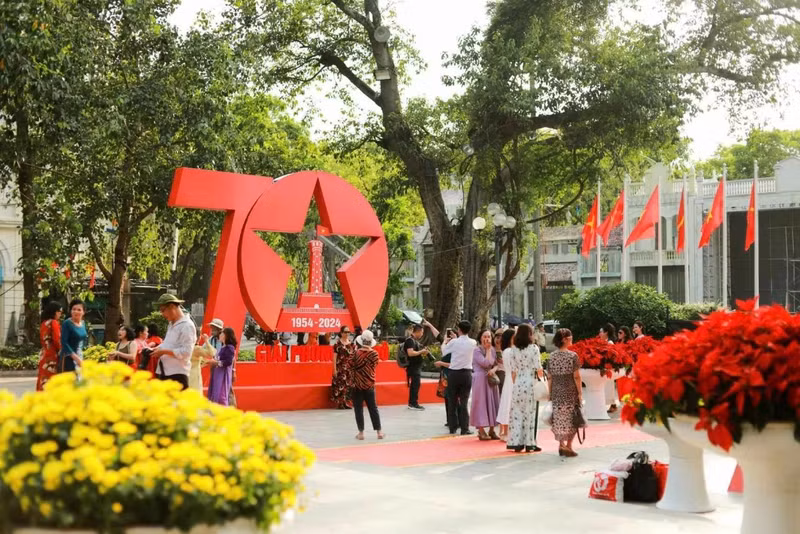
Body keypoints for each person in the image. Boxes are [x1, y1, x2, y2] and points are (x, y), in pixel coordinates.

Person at [506, 323, 544, 453]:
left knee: (517, 413)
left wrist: (516, 382)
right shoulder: (534, 348)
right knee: (530, 413)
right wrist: (542, 379)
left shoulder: (513, 349)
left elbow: (513, 370)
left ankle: (516, 442)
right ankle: (530, 442)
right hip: (530, 382)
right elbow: (538, 367)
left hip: (518, 383)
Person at [548, 328, 582, 457]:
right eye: (570, 337)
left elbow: (550, 377)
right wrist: (579, 392)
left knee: (559, 419)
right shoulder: (573, 356)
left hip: (556, 392)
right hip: (569, 391)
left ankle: (561, 444)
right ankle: (568, 446)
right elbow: (577, 376)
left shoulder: (552, 356)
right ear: (564, 339)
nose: (572, 339)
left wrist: (550, 393)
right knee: (572, 419)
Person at [150, 294, 197, 389]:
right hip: (164, 372)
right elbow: (169, 344)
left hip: (177, 375)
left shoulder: (187, 326)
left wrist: (163, 352)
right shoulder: (171, 324)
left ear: (172, 306)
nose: (162, 314)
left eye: (163, 310)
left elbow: (186, 353)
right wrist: (158, 348)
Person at [441, 320, 475, 435]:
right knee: (464, 402)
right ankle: (465, 428)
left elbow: (444, 352)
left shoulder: (454, 342)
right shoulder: (473, 342)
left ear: (459, 329)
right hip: (467, 374)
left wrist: (445, 342)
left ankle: (453, 427)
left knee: (452, 401)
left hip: (454, 374)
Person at [351, 329, 385, 440]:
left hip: (357, 385)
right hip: (370, 384)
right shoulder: (375, 354)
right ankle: (379, 432)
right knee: (373, 408)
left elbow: (351, 366)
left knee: (358, 409)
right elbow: (374, 366)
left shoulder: (355, 353)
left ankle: (361, 433)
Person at [470, 329, 501, 441]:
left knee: (493, 403)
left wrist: (494, 369)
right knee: (481, 404)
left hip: (490, 379)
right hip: (480, 379)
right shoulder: (477, 350)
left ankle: (492, 430)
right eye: (484, 336)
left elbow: (496, 364)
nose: (487, 339)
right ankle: (481, 430)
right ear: (480, 338)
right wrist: (488, 350)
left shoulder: (492, 349)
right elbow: (485, 363)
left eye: (489, 336)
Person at [404, 319, 439, 411]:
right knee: (415, 385)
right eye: (422, 332)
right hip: (413, 367)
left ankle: (413, 402)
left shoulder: (414, 341)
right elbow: (410, 353)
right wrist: (422, 351)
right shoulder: (410, 341)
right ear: (418, 331)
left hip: (416, 367)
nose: (422, 334)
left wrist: (422, 352)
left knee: (416, 385)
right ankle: (413, 403)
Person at [36, 301, 63, 390]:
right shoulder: (54, 322)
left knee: (43, 379)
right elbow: (57, 340)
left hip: (44, 354)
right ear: (55, 312)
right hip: (52, 355)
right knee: (52, 380)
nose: (60, 314)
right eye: (60, 312)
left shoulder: (43, 323)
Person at [207, 327, 237, 405]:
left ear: (226, 335)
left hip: (223, 375)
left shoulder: (229, 347)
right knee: (218, 393)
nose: (220, 335)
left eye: (222, 333)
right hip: (218, 373)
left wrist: (216, 363)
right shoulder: (224, 347)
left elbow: (228, 362)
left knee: (222, 395)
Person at [496, 328, 516, 441]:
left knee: (506, 404)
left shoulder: (506, 351)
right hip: (512, 379)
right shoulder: (511, 351)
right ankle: (506, 432)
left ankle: (505, 431)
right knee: (509, 404)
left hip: (509, 379)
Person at [59, 299, 88, 374]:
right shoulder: (67, 323)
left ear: (83, 312)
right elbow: (64, 342)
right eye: (74, 309)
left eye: (79, 310)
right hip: (68, 358)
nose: (76, 312)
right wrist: (75, 357)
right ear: (70, 311)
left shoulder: (83, 323)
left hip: (80, 355)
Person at [331, 325, 355, 409]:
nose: (347, 334)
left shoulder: (351, 344)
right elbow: (334, 358)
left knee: (347, 385)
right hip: (340, 368)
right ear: (341, 333)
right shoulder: (337, 344)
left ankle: (345, 402)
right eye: (345, 332)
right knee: (340, 385)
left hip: (349, 368)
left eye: (348, 332)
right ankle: (340, 403)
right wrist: (334, 369)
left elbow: (354, 356)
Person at [599, 323, 619, 413]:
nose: (600, 334)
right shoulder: (604, 342)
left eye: (601, 332)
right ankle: (612, 404)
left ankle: (612, 404)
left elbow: (611, 356)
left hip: (608, 368)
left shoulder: (610, 342)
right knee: (606, 386)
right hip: (605, 368)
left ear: (606, 333)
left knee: (608, 386)